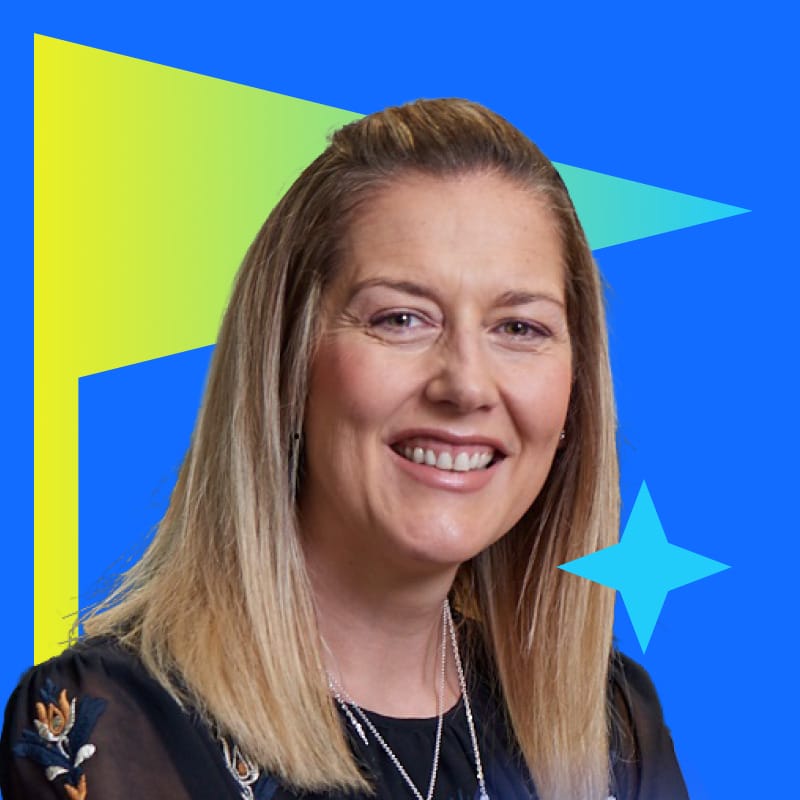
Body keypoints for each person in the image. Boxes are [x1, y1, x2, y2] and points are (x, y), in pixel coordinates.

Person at [1, 99, 688, 800]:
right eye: (401, 318)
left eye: (519, 328)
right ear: (287, 363)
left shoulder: (613, 726)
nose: (467, 385)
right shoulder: (105, 726)